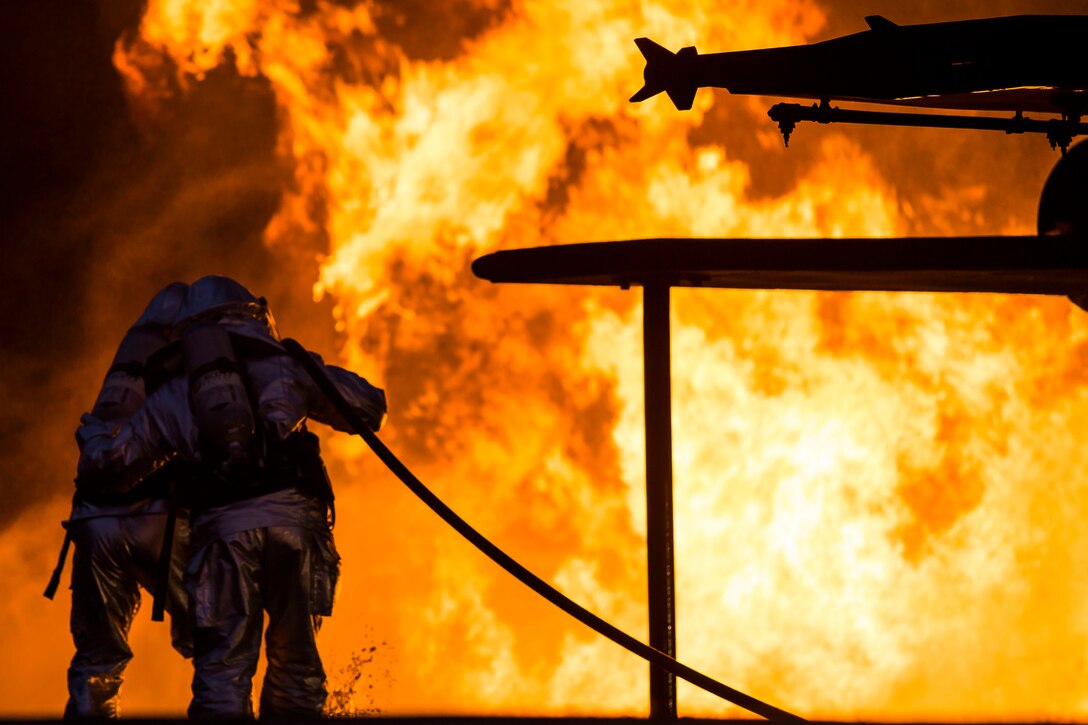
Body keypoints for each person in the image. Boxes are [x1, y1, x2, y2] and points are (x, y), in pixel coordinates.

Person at [77, 275, 387, 718]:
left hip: (222, 536)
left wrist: (92, 434)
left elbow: (113, 466)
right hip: (295, 530)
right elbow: (369, 407)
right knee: (297, 665)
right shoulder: (286, 367)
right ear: (253, 316)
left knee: (223, 671)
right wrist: (304, 362)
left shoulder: (175, 393)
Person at [58, 282, 194, 718]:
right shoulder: (194, 361)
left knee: (98, 659)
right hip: (161, 518)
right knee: (219, 643)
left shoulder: (127, 360)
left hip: (95, 520)